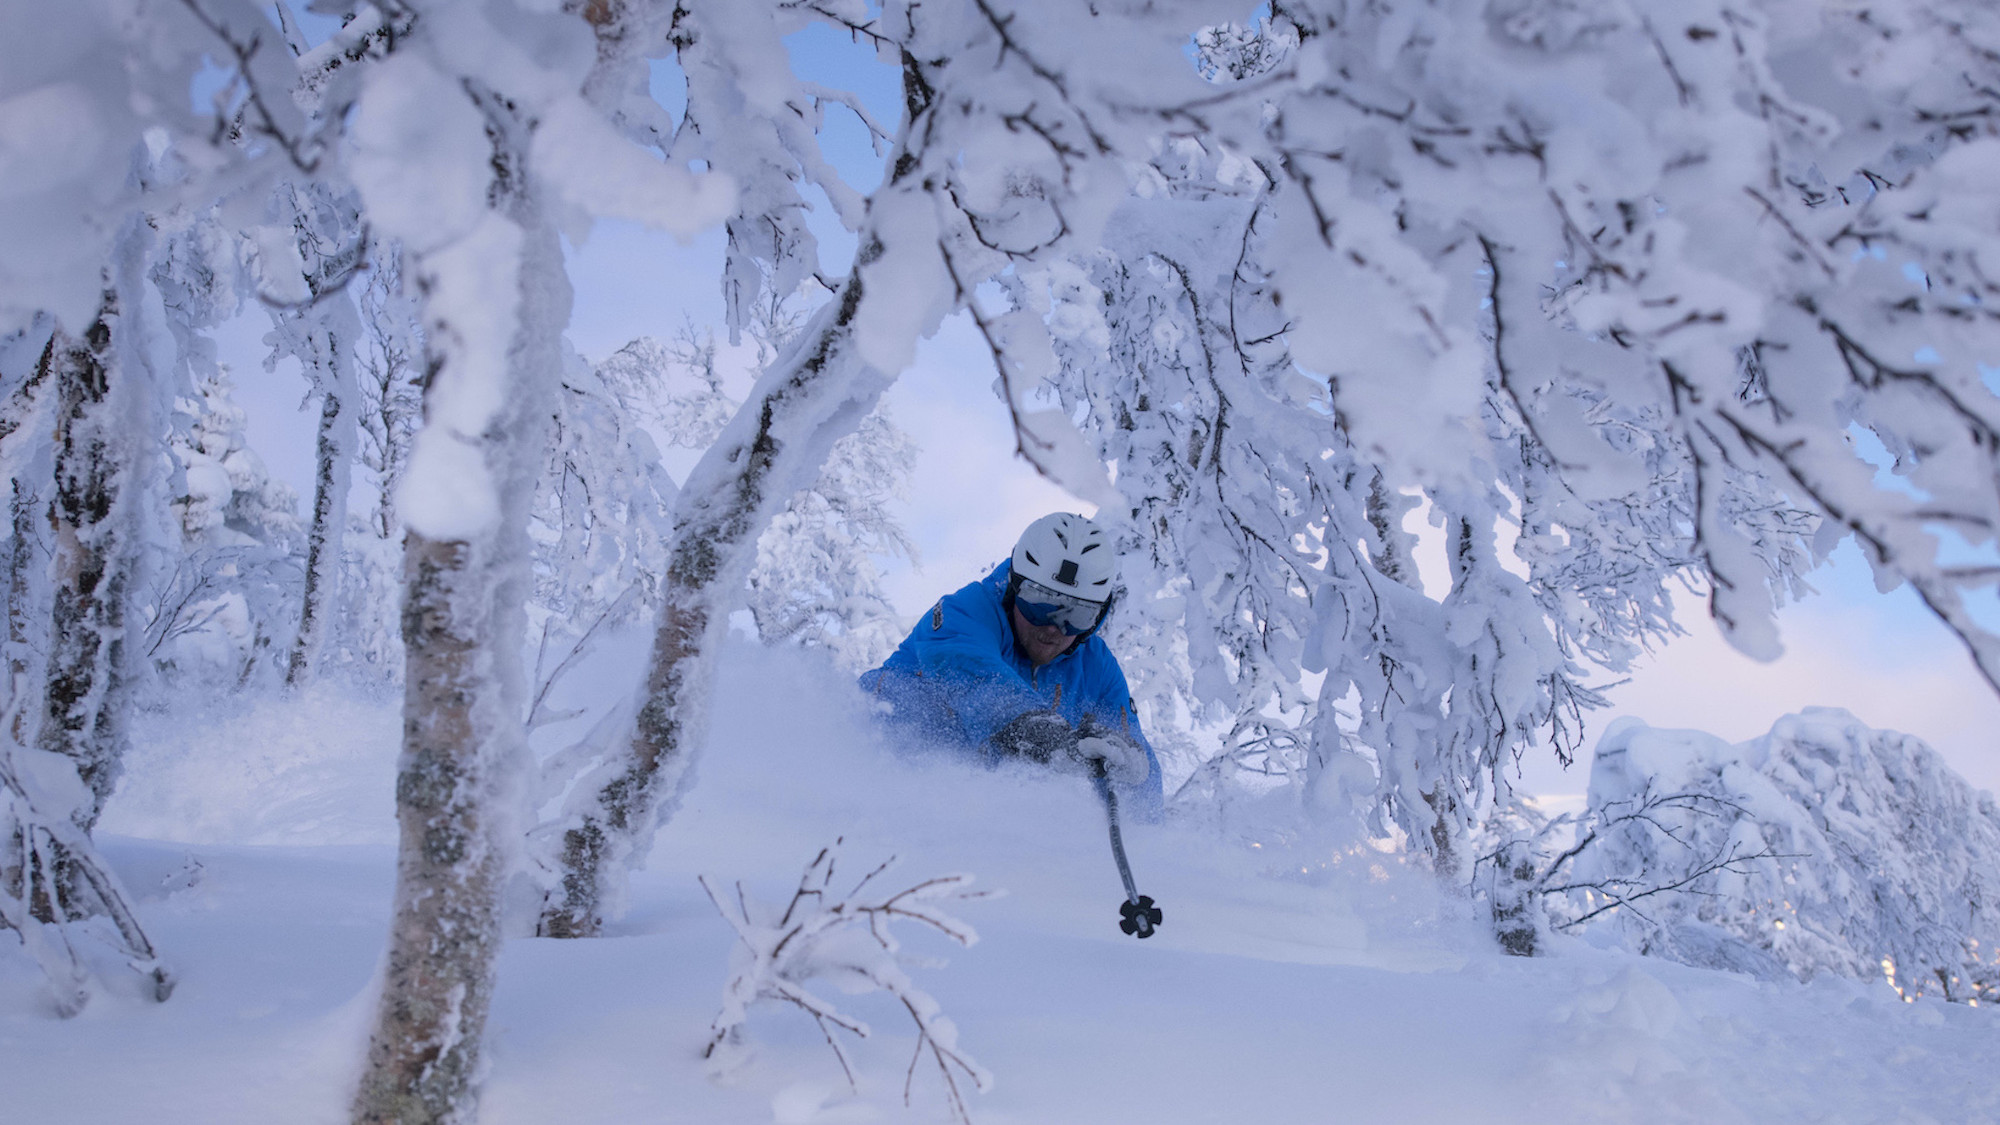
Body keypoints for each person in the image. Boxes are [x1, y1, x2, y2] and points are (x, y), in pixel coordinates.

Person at [859, 512, 1163, 816]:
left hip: (973, 820)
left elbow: (1143, 795)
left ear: (1096, 618)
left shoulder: (1097, 669)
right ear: (1015, 587)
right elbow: (974, 676)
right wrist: (1047, 737)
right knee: (907, 695)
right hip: (878, 777)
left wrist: (1132, 767)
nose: (1054, 628)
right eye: (1040, 604)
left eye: (1077, 616)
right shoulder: (966, 611)